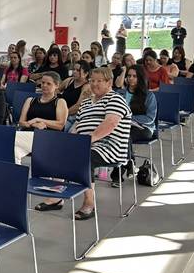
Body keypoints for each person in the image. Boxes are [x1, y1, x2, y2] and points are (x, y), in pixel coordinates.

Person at [62, 67, 132, 220]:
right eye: (92, 80)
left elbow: (111, 123)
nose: (94, 84)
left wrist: (86, 141)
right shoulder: (86, 102)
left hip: (109, 146)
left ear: (109, 82)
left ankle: (89, 203)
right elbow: (76, 125)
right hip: (86, 144)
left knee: (84, 157)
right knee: (57, 152)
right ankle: (56, 196)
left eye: (99, 81)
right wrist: (69, 142)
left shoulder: (115, 99)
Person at [113, 65, 157, 185]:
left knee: (124, 136)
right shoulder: (121, 93)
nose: (131, 78)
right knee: (120, 135)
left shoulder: (148, 95)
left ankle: (117, 174)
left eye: (134, 76)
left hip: (143, 128)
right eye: (129, 76)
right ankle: (129, 163)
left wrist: (130, 118)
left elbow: (150, 118)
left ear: (140, 78)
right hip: (123, 126)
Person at [16, 72, 67, 167]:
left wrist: (38, 119)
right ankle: (17, 174)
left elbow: (60, 125)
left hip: (47, 138)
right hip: (28, 135)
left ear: (56, 85)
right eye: (43, 82)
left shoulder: (60, 102)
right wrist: (33, 124)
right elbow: (21, 122)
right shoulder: (30, 100)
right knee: (15, 151)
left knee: (11, 139)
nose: (44, 85)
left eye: (48, 83)